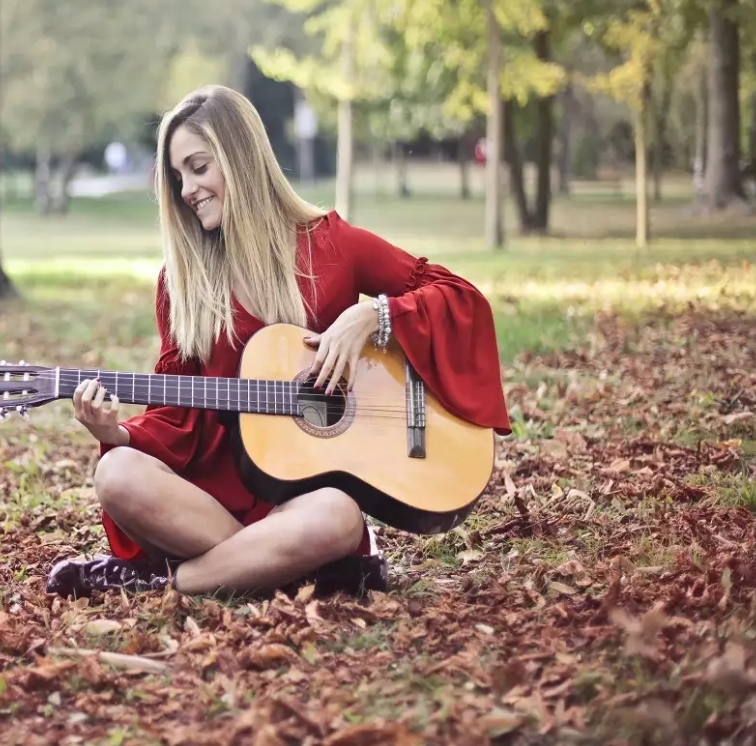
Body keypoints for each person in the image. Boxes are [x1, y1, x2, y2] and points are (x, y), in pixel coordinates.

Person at [45, 85, 511, 600]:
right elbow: (173, 414)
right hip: (210, 500)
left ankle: (173, 582)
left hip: (303, 500)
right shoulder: (181, 283)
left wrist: (374, 315)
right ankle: (286, 566)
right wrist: (117, 432)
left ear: (241, 159)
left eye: (199, 168)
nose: (186, 190)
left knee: (337, 514)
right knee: (116, 473)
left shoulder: (334, 244)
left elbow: (459, 297)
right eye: (178, 177)